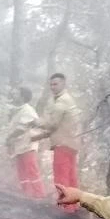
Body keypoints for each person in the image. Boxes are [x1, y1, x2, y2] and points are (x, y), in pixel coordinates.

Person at [32, 74, 81, 208]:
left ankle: (67, 209)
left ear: (63, 84)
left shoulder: (62, 101)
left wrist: (36, 122)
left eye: (55, 84)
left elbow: (52, 124)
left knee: (61, 177)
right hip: (71, 144)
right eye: (51, 84)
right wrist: (37, 136)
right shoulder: (64, 100)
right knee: (71, 177)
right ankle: (74, 207)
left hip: (63, 144)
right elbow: (56, 127)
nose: (52, 87)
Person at [5, 87, 45, 199]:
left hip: (28, 145)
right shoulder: (18, 110)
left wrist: (9, 138)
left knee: (31, 170)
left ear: (22, 96)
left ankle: (39, 195)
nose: (13, 96)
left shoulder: (28, 110)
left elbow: (21, 129)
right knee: (22, 171)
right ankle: (26, 194)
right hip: (19, 145)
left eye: (16, 94)